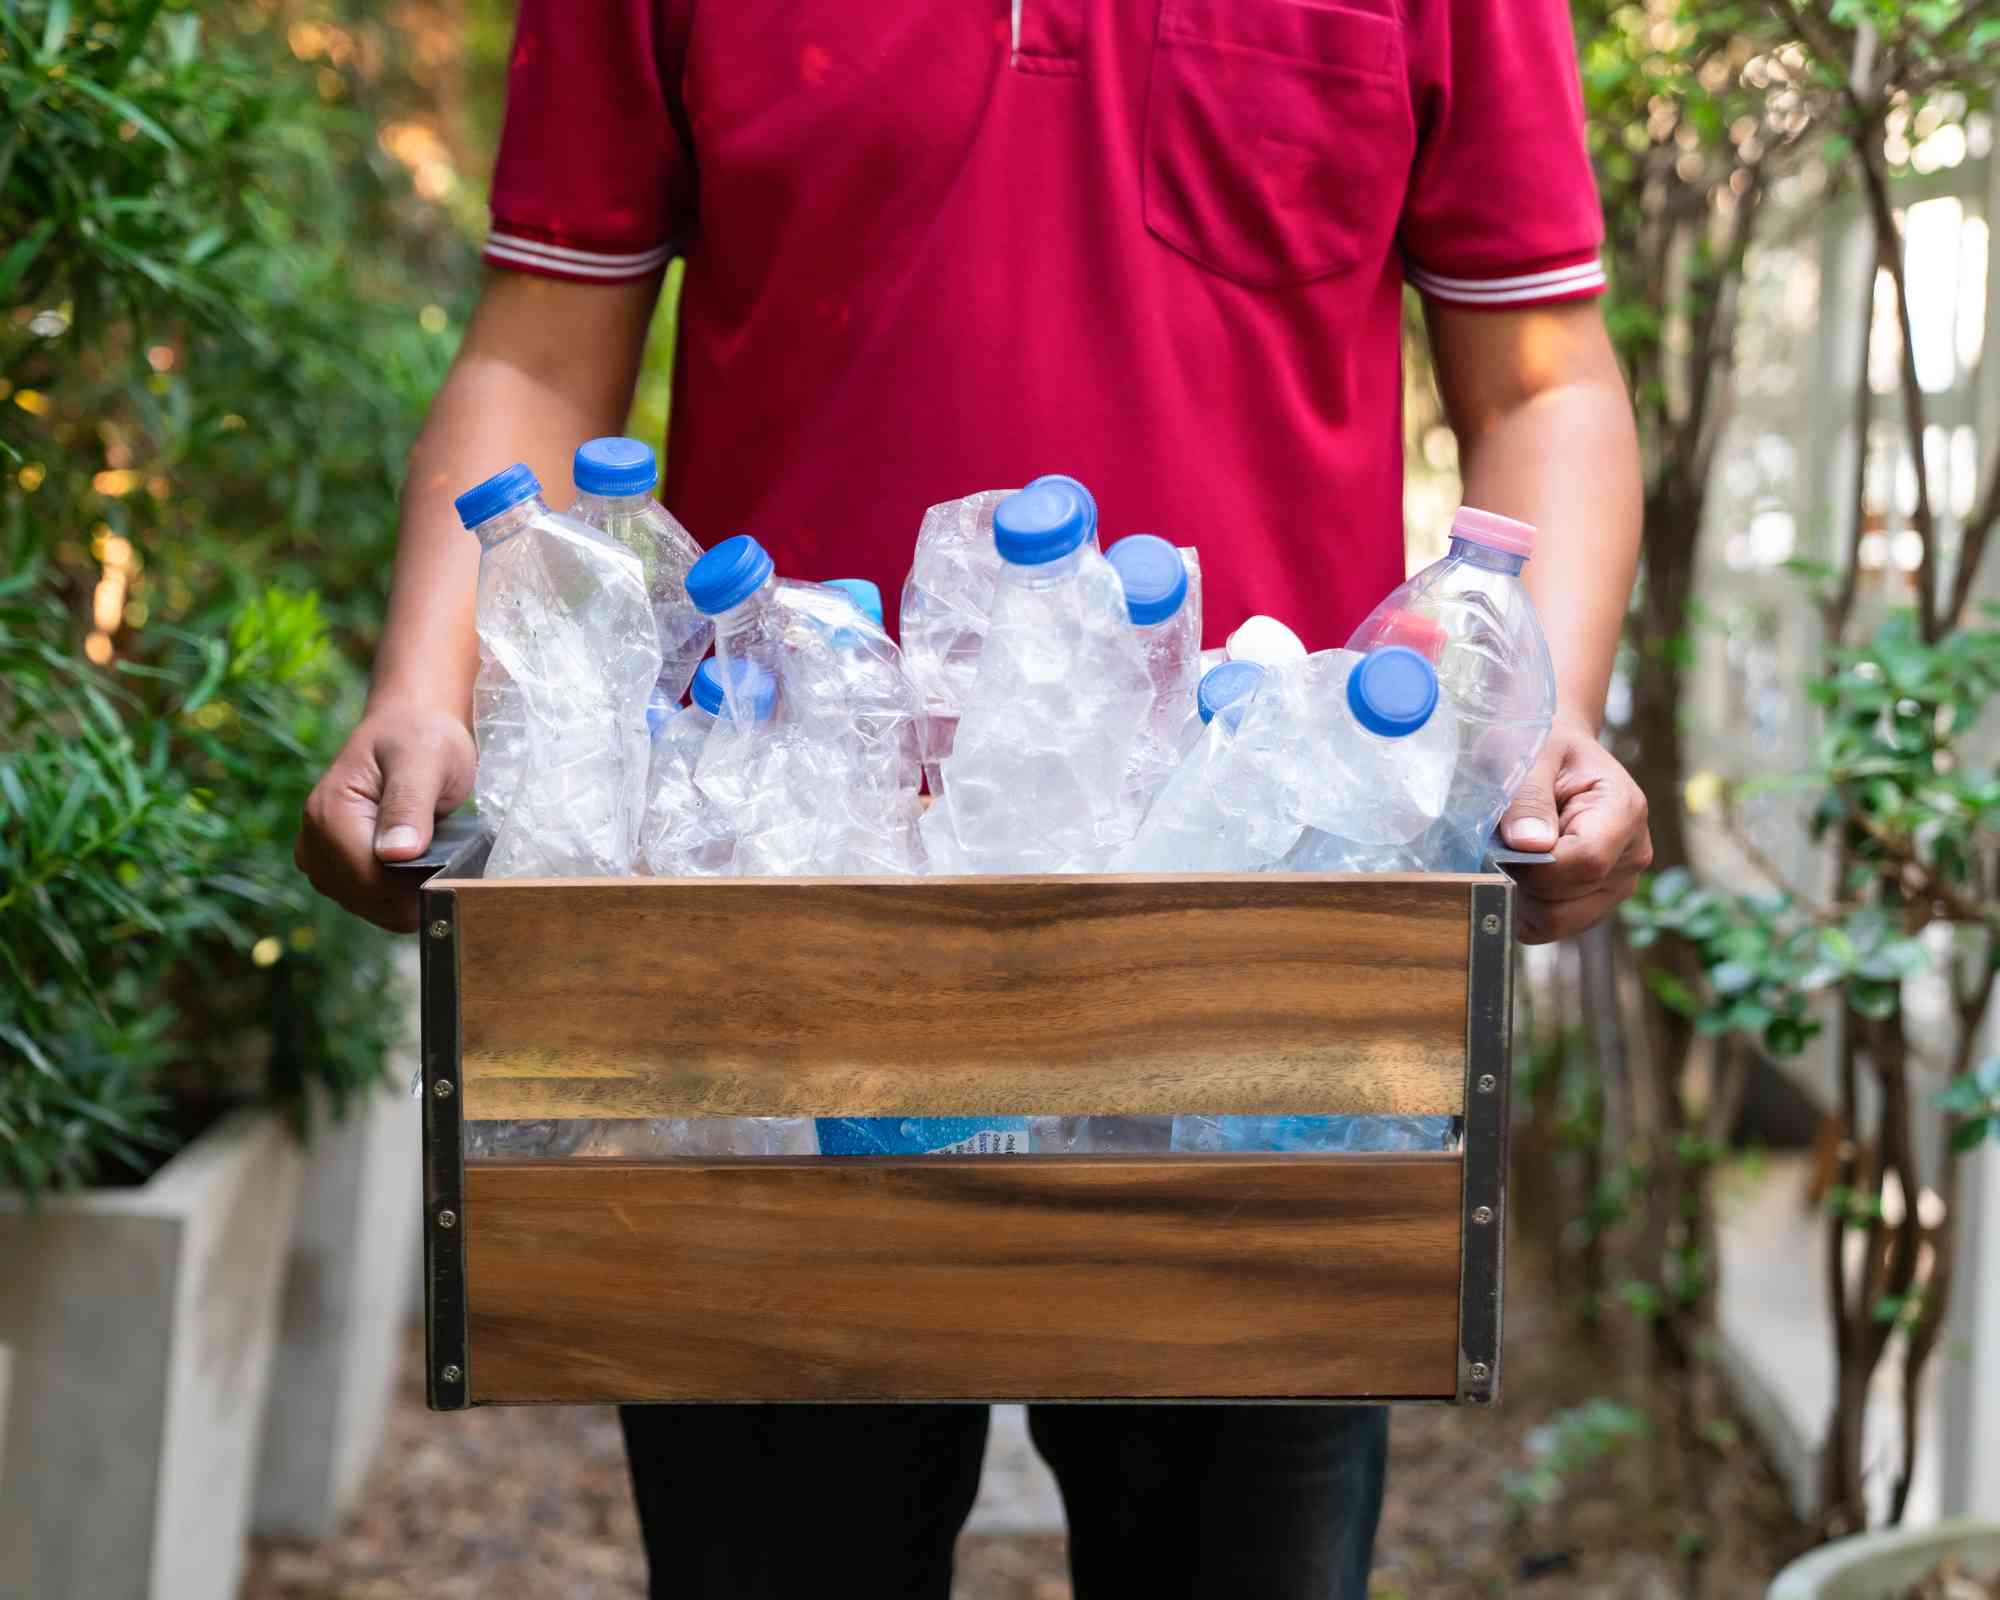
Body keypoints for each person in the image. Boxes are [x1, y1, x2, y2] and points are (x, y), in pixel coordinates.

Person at [298, 1, 1650, 1594]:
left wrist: (1540, 711)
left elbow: (1541, 381)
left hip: (1262, 960)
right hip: (781, 935)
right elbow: (537, 351)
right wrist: (420, 690)